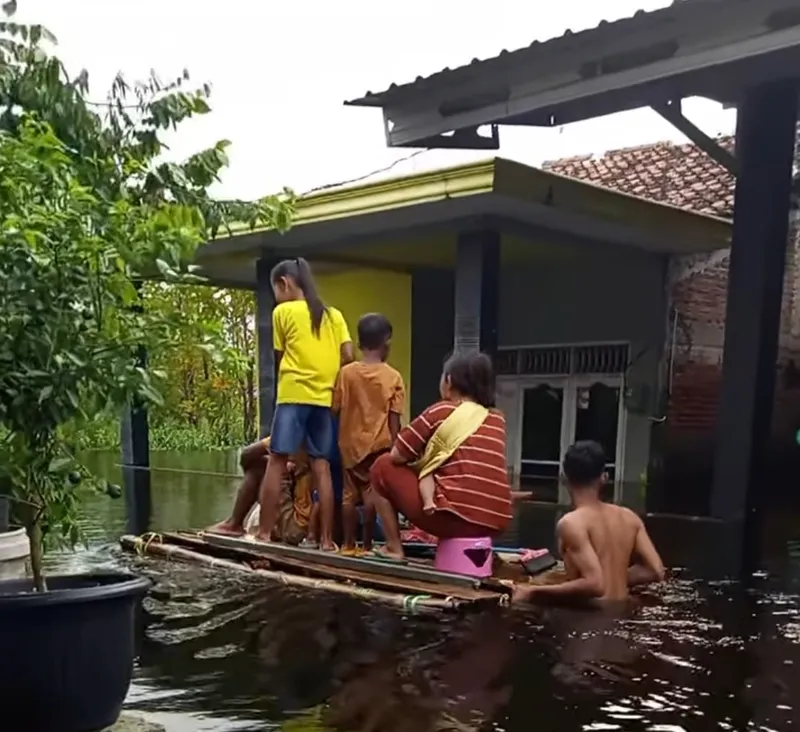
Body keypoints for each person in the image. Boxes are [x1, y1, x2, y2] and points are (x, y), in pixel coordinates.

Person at [368, 351, 512, 559]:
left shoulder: (441, 410)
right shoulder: (497, 419)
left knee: (381, 466)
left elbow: (397, 456)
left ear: (449, 381)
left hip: (453, 519)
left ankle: (393, 547)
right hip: (496, 523)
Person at [255, 257, 354, 551]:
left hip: (293, 396)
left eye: (277, 290)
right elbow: (348, 356)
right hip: (323, 400)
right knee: (321, 466)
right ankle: (325, 540)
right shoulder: (333, 314)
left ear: (284, 283)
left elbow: (278, 354)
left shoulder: (282, 311)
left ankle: (262, 534)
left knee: (275, 461)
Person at [512, 440, 665, 606]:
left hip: (590, 618)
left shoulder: (572, 523)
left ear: (564, 478)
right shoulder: (629, 517)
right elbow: (656, 571)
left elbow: (595, 585)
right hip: (624, 611)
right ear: (604, 477)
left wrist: (532, 592)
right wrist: (616, 577)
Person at [333, 313, 405, 555]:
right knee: (373, 495)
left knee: (348, 497)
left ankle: (348, 545)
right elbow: (395, 418)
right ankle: (367, 545)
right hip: (379, 446)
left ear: (360, 341)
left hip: (348, 446)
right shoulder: (393, 377)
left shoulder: (346, 373)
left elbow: (335, 407)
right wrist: (398, 449)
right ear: (386, 341)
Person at [206, 438, 313, 544]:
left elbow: (247, 454)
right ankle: (245, 525)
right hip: (314, 528)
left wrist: (279, 463)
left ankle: (236, 524)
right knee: (273, 466)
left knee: (262, 466)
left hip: (297, 530)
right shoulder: (321, 436)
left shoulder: (290, 433)